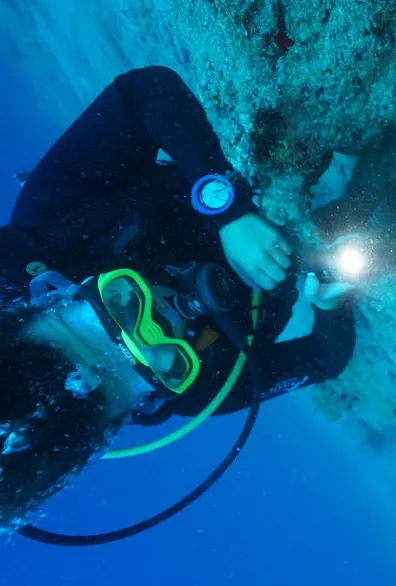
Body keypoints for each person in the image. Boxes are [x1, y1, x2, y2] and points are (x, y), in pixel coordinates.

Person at [0, 66, 358, 531]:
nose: (168, 315)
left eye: (121, 302)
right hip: (294, 265)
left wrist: (227, 209)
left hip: (207, 192)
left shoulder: (50, 229)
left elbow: (144, 90)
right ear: (138, 405)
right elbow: (326, 357)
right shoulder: (201, 391)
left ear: (55, 297)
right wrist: (330, 303)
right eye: (168, 359)